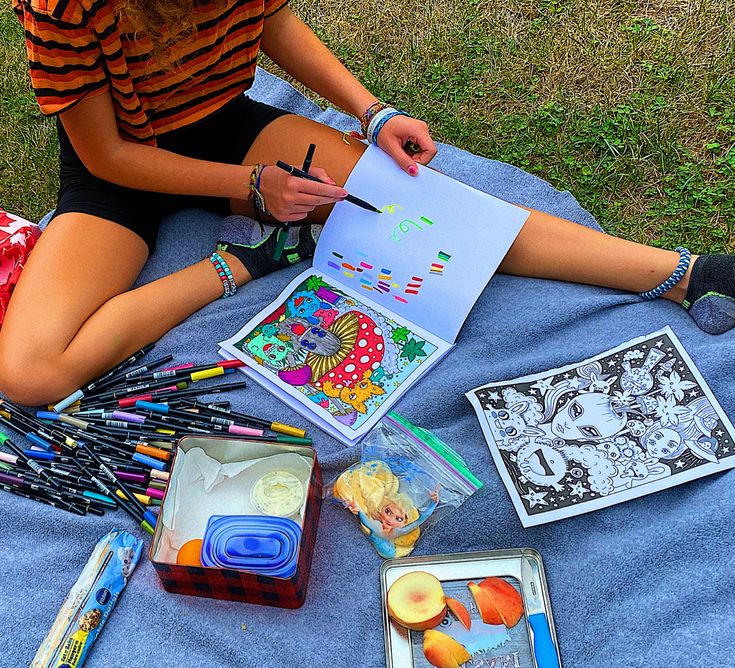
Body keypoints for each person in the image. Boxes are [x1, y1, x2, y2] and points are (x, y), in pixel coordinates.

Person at [1, 0, 733, 406]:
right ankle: (247, 263)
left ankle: (678, 273)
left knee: (429, 206)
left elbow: (272, 24)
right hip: (124, 167)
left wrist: (371, 112)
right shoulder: (62, 6)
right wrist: (252, 191)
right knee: (28, 375)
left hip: (226, 124)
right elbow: (106, 156)